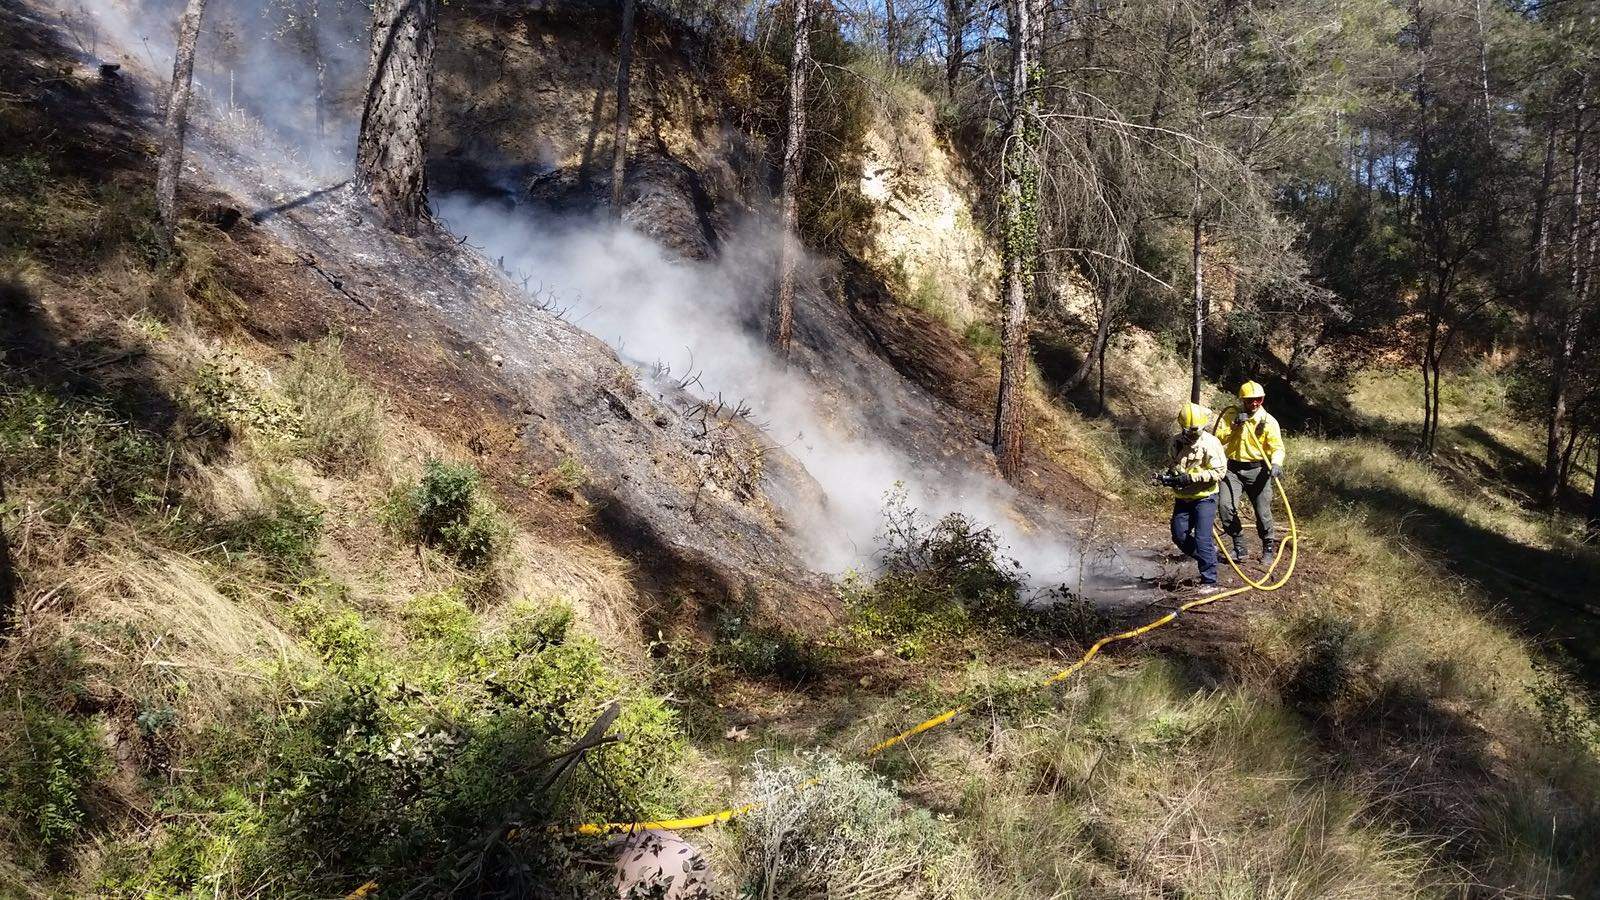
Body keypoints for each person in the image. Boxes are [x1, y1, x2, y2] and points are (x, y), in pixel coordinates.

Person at [1155, 402, 1228, 593]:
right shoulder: (1176, 442)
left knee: (1203, 537)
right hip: (1183, 498)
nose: (1191, 434)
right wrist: (1171, 477)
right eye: (1188, 430)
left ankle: (1209, 580)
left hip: (1205, 497)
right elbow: (1173, 464)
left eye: (1195, 431)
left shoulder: (1211, 444)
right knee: (1179, 535)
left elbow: (1219, 472)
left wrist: (1193, 477)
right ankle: (1209, 556)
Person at [1214, 380, 1286, 565]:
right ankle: (1239, 545)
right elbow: (1217, 439)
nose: (1254, 403)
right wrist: (1234, 426)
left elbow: (1277, 447)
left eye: (1258, 400)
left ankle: (1268, 548)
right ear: (1242, 400)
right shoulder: (1231, 415)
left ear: (1262, 400)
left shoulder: (1268, 421)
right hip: (1232, 470)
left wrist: (1276, 464)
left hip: (1259, 470)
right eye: (1250, 400)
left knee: (1262, 513)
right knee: (1225, 507)